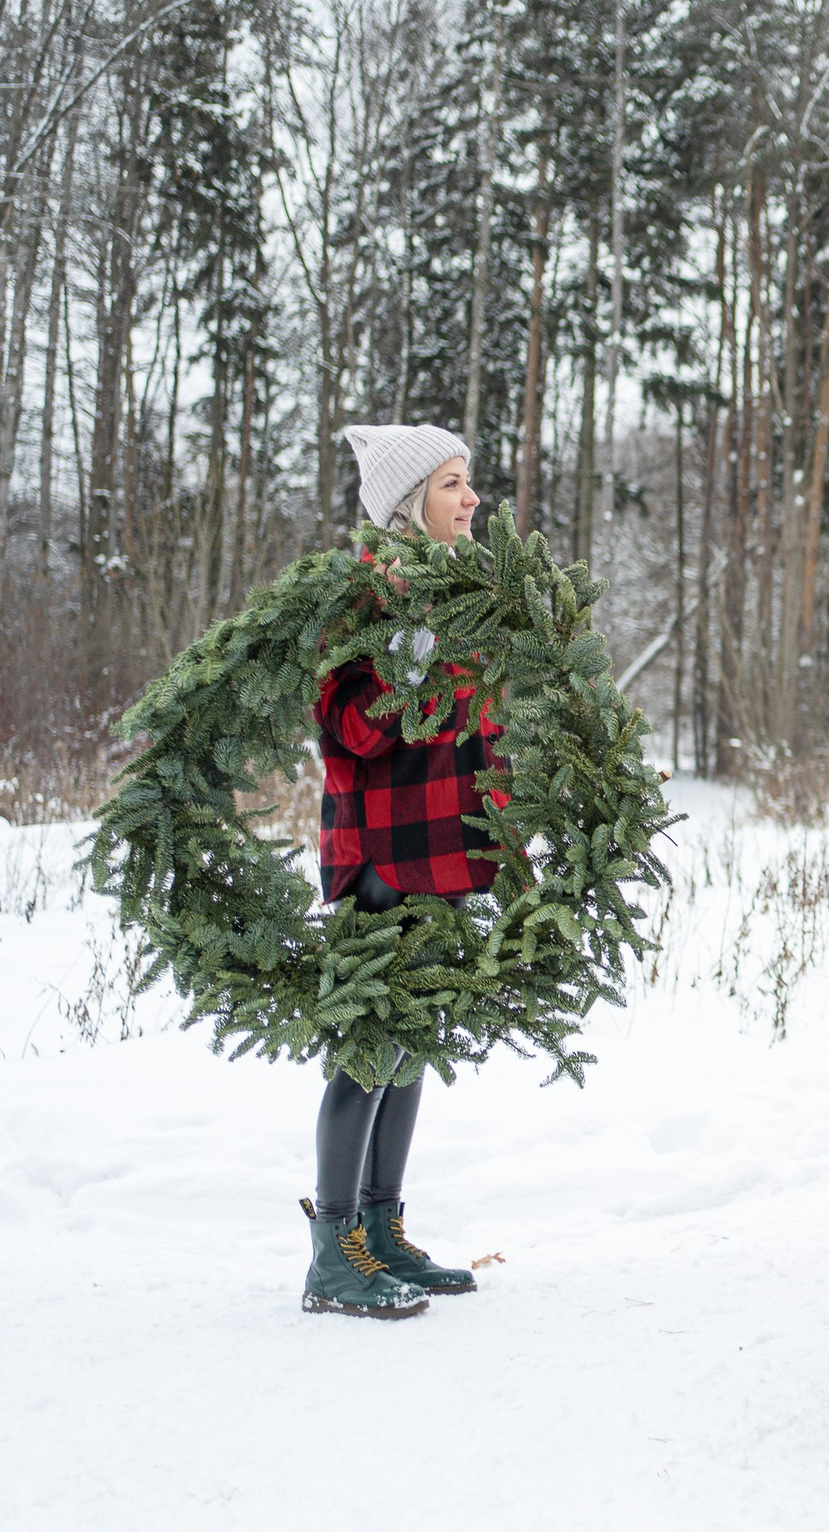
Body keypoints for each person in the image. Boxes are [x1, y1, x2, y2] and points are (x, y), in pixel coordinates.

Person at [298, 424, 496, 1319]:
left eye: (470, 481)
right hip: (381, 856)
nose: (473, 498)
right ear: (413, 498)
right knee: (369, 1045)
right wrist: (406, 656)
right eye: (455, 483)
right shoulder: (364, 599)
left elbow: (477, 727)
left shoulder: (464, 591)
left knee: (412, 1044)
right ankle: (332, 1249)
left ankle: (381, 1230)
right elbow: (352, 728)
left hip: (446, 852)